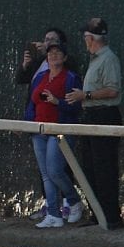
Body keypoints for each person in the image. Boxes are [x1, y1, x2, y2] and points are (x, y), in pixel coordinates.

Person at [66, 17, 123, 230]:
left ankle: (110, 217)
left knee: (104, 168)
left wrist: (85, 95)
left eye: (85, 37)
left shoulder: (109, 59)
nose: (84, 41)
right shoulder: (97, 59)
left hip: (104, 115)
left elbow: (113, 90)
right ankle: (98, 215)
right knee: (91, 168)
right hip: (92, 116)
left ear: (90, 39)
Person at [26, 43, 84, 228]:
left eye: (58, 53)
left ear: (65, 58)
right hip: (39, 130)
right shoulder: (40, 77)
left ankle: (73, 200)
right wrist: (26, 123)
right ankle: (53, 214)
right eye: (50, 53)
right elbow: (32, 103)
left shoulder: (71, 78)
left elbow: (75, 108)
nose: (54, 56)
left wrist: (56, 101)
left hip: (59, 130)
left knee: (54, 170)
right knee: (46, 174)